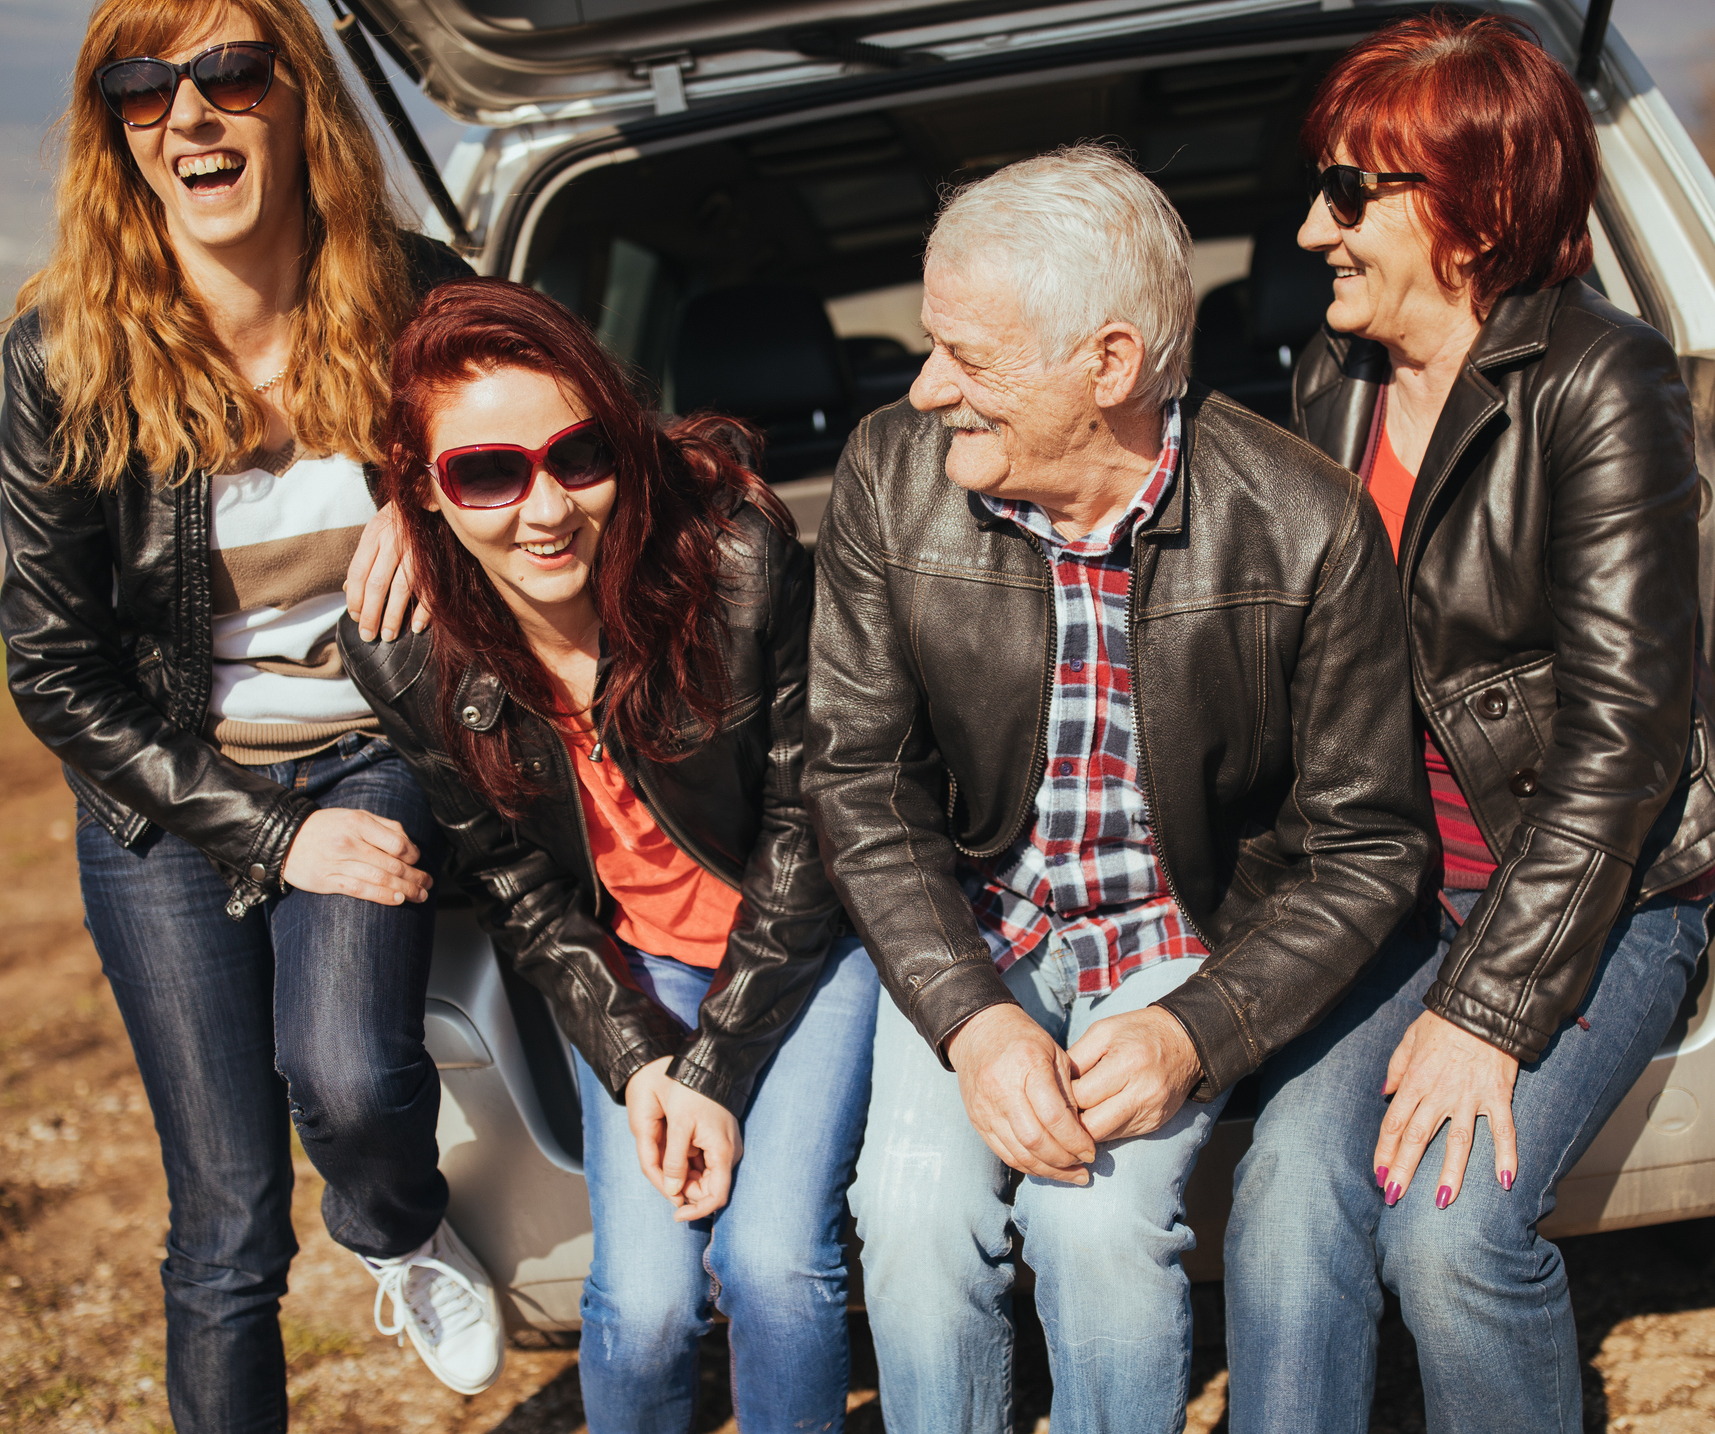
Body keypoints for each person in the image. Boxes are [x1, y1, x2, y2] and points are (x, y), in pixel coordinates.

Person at [802, 142, 1434, 1434]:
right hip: (976, 928)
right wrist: (970, 1022)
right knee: (911, 1215)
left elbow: (1368, 845)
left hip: (1183, 937)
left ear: (1109, 363)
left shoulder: (1306, 521)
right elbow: (859, 779)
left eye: (965, 357)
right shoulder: (885, 471)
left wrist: (1196, 1028)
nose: (925, 390)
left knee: (1092, 1229)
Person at [0, 1, 503, 1425]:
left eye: (230, 70)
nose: (191, 112)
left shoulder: (421, 293)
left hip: (372, 742)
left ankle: (400, 1226)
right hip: (165, 792)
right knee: (223, 1220)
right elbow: (55, 668)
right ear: (116, 132)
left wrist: (437, 506)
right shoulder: (62, 358)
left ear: (297, 101)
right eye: (145, 85)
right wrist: (277, 845)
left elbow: (566, 466)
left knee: (348, 1079)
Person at [1222, 17, 1715, 1432]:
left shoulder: (1601, 382)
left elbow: (1624, 740)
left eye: (1348, 193)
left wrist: (1484, 1016)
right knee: (1285, 1204)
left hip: (1596, 892)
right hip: (1397, 889)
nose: (1312, 228)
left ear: (1470, 205)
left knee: (1448, 1231)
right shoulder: (1334, 381)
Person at [340, 277, 876, 1434]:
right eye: (486, 472)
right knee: (638, 1311)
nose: (543, 508)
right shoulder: (405, 659)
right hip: (635, 971)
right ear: (422, 489)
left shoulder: (736, 559)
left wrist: (715, 1072)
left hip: (803, 944)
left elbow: (809, 830)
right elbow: (521, 894)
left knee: (774, 1271)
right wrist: (642, 1063)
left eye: (575, 456)